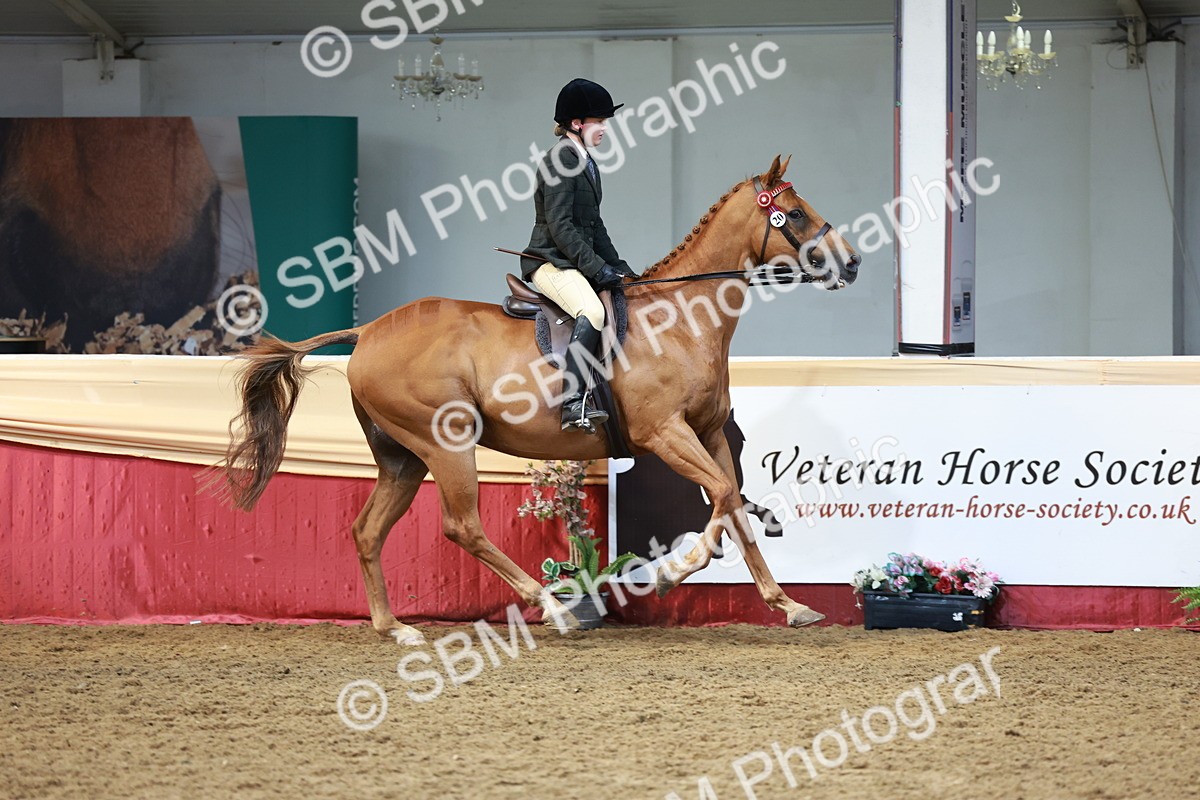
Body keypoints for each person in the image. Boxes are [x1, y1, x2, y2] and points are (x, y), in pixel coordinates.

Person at [521, 78, 638, 434]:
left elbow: (593, 225)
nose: (604, 129)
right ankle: (573, 402)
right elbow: (561, 225)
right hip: (550, 262)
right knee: (592, 310)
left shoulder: (585, 162)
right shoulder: (561, 159)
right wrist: (595, 268)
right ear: (577, 124)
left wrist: (620, 268)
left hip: (571, 262)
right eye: (599, 122)